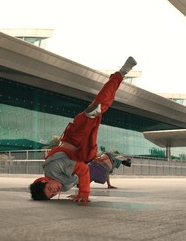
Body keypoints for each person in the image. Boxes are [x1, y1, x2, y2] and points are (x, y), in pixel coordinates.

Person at [29, 56, 137, 202]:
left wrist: (84, 193)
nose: (55, 191)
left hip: (78, 144)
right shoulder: (63, 184)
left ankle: (118, 78)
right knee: (99, 105)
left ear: (43, 180)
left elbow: (82, 169)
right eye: (53, 194)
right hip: (74, 139)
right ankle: (118, 78)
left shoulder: (52, 170)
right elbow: (84, 173)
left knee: (89, 152)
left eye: (50, 189)